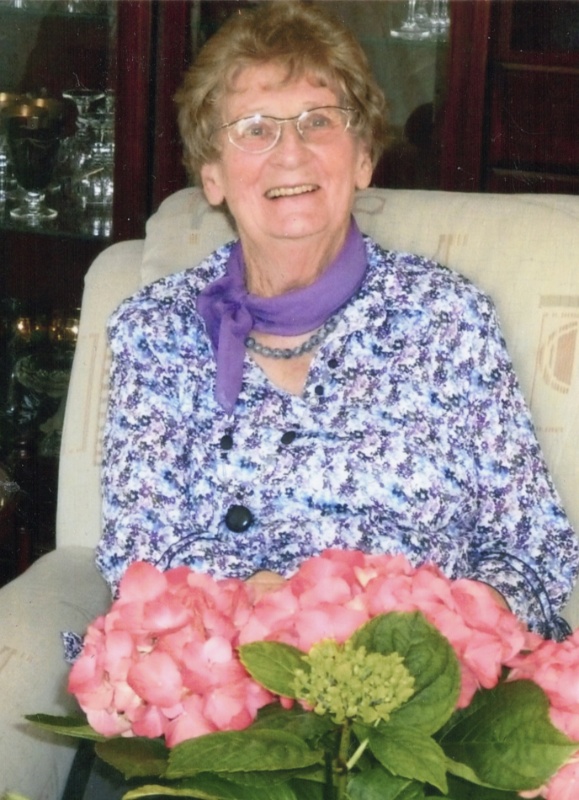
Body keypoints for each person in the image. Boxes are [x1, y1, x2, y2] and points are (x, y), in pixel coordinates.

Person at [97, 1, 578, 638]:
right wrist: (264, 607)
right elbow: (137, 555)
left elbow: (533, 545)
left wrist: (442, 630)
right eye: (255, 129)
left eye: (318, 121)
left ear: (363, 158)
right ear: (211, 174)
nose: (290, 154)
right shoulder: (155, 330)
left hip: (421, 677)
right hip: (224, 671)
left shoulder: (447, 317)